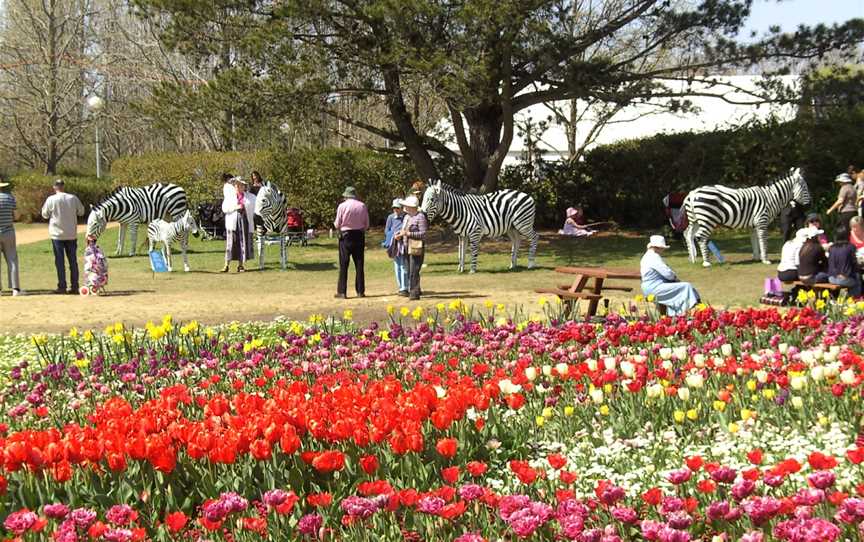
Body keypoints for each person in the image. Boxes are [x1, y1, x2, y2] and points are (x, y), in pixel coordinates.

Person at [41, 179, 85, 294]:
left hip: (57, 235)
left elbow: (44, 215)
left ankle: (62, 286)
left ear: (54, 187)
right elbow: (81, 212)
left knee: (59, 262)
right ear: (63, 186)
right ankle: (75, 286)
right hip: (71, 234)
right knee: (73, 261)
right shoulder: (73, 198)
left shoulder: (51, 199)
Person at [640, 235, 700, 316]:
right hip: (654, 288)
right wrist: (675, 278)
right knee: (686, 286)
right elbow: (667, 273)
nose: (663, 250)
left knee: (682, 287)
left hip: (650, 287)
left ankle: (682, 312)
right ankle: (691, 311)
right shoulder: (653, 257)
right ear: (657, 247)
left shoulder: (647, 256)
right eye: (662, 248)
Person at [333, 186, 369, 298]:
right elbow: (366, 224)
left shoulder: (342, 206)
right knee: (359, 264)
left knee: (343, 264)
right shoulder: (362, 206)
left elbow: (337, 223)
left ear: (346, 196)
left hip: (345, 236)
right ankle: (360, 291)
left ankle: (342, 292)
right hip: (359, 235)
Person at [221, 177, 256, 273]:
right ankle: (226, 265)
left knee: (242, 243)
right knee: (230, 244)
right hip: (232, 223)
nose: (238, 187)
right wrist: (236, 207)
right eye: (236, 185)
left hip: (244, 222)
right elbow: (225, 208)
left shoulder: (250, 197)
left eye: (240, 185)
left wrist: (245, 207)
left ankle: (240, 265)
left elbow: (254, 208)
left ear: (244, 187)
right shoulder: (230, 197)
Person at [396, 196, 427, 301]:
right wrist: (399, 234)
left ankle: (414, 293)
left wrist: (408, 233)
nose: (405, 207)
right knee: (409, 270)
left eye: (407, 205)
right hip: (406, 247)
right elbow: (403, 230)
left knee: (414, 270)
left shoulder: (420, 217)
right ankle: (415, 289)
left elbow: (423, 234)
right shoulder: (407, 217)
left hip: (416, 247)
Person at [0, 179, 23, 296]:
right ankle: (16, 289)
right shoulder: (10, 198)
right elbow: (17, 216)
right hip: (8, 232)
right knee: (12, 260)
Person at [383, 198, 408, 296]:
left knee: (403, 265)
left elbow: (407, 228)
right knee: (397, 265)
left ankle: (404, 287)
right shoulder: (390, 217)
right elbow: (386, 230)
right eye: (394, 208)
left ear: (401, 208)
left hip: (403, 244)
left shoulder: (406, 217)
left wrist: (401, 235)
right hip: (394, 244)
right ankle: (400, 286)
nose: (395, 210)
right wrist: (393, 235)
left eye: (397, 208)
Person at [827, 227, 861, 296]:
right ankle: (854, 299)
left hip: (831, 278)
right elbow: (854, 264)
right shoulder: (850, 247)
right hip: (844, 278)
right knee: (858, 279)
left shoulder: (831, 248)